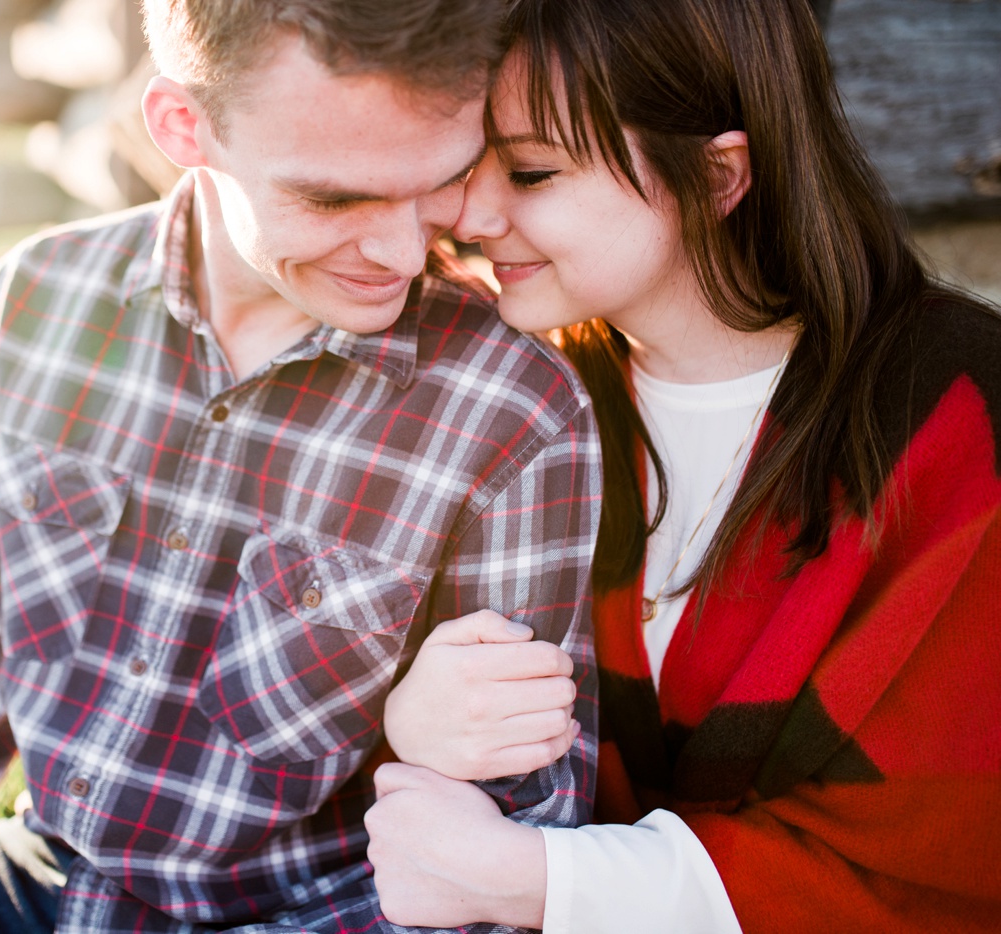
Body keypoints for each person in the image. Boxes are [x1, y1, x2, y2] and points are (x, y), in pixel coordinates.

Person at [0, 2, 603, 933]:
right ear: (181, 127)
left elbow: (507, 851)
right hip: (36, 881)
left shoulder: (511, 412)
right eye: (333, 196)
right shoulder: (38, 303)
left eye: (436, 182)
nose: (396, 249)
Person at [368, 0, 1001, 931]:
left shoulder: (955, 413)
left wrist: (539, 878)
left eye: (532, 170)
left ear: (715, 175)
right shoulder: (516, 394)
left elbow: (939, 857)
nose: (467, 214)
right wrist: (411, 723)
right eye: (468, 165)